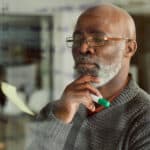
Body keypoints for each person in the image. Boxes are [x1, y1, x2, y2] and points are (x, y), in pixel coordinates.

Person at [27, 3, 150, 150]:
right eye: (77, 40)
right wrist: (60, 119)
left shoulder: (144, 118)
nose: (83, 48)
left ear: (129, 48)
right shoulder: (54, 111)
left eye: (98, 39)